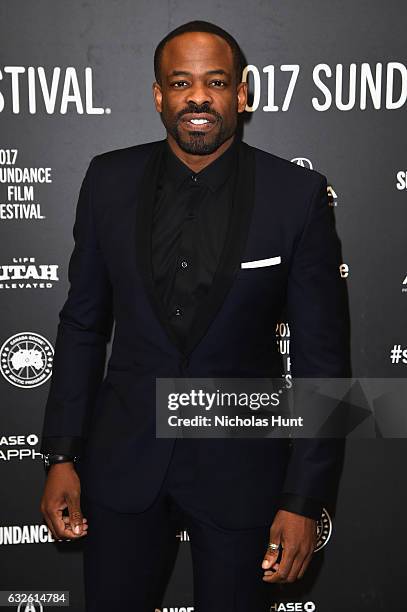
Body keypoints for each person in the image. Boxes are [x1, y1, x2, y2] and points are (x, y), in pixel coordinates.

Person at [39, 20, 351, 611]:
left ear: (242, 93)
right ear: (159, 95)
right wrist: (60, 454)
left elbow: (322, 363)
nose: (199, 97)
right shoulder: (109, 181)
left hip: (242, 474)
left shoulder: (296, 195)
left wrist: (304, 498)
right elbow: (82, 325)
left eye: (216, 81)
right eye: (181, 82)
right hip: (122, 467)